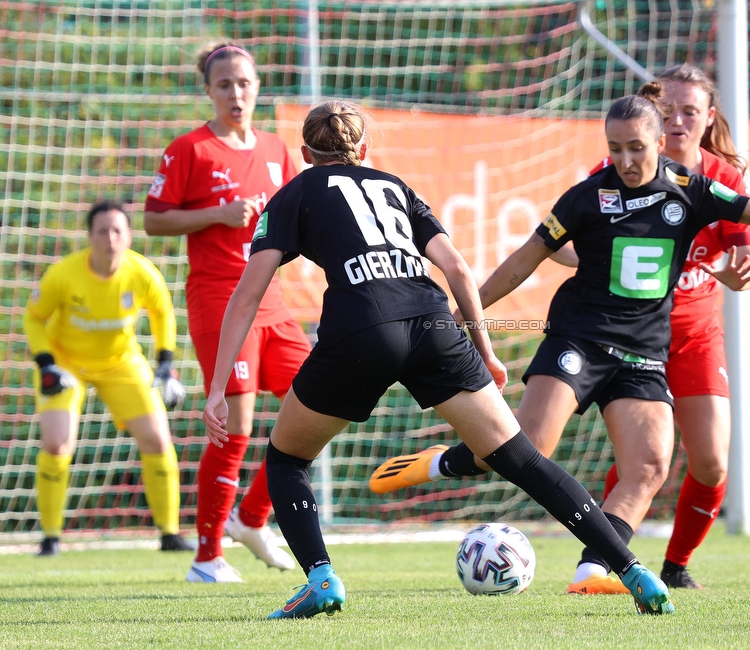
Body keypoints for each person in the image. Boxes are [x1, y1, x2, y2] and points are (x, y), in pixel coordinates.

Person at [370, 87, 750, 594]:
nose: (625, 159)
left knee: (649, 466)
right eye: (615, 148)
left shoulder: (693, 188)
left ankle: (593, 570)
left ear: (660, 142)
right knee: (524, 452)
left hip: (643, 352)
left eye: (636, 147)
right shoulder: (586, 197)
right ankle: (441, 461)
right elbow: (526, 259)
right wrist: (467, 313)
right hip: (579, 337)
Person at [202, 99, 676, 619]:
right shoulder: (396, 186)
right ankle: (632, 569)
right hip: (435, 326)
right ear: (364, 149)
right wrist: (486, 350)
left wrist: (218, 387)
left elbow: (249, 292)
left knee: (287, 460)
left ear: (305, 154)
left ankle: (321, 579)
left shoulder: (294, 192)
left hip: (361, 331)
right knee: (522, 459)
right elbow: (456, 268)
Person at [572, 64, 750, 591]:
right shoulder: (614, 174)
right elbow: (568, 242)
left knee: (710, 462)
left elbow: (748, 257)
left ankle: (676, 566)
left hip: (695, 334)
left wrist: (741, 269)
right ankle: (601, 559)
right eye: (668, 111)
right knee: (642, 459)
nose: (677, 121)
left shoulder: (721, 180)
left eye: (689, 111)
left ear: (708, 119)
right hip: (630, 336)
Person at [144, 41, 306, 582]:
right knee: (236, 422)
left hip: (274, 302)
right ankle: (207, 556)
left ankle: (251, 516)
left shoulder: (278, 149)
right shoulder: (190, 149)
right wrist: (217, 213)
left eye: (244, 83)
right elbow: (154, 219)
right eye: (224, 85)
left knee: (321, 400)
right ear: (208, 91)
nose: (235, 94)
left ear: (258, 86)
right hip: (218, 299)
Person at [23, 201, 191, 556]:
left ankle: (169, 534)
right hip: (66, 366)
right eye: (102, 231)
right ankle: (51, 538)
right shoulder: (64, 275)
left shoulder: (142, 272)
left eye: (118, 231)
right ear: (90, 236)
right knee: (56, 445)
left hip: (121, 364)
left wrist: (165, 364)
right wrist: (46, 363)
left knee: (158, 440)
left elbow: (163, 312)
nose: (110, 239)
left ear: (129, 236)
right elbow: (34, 318)